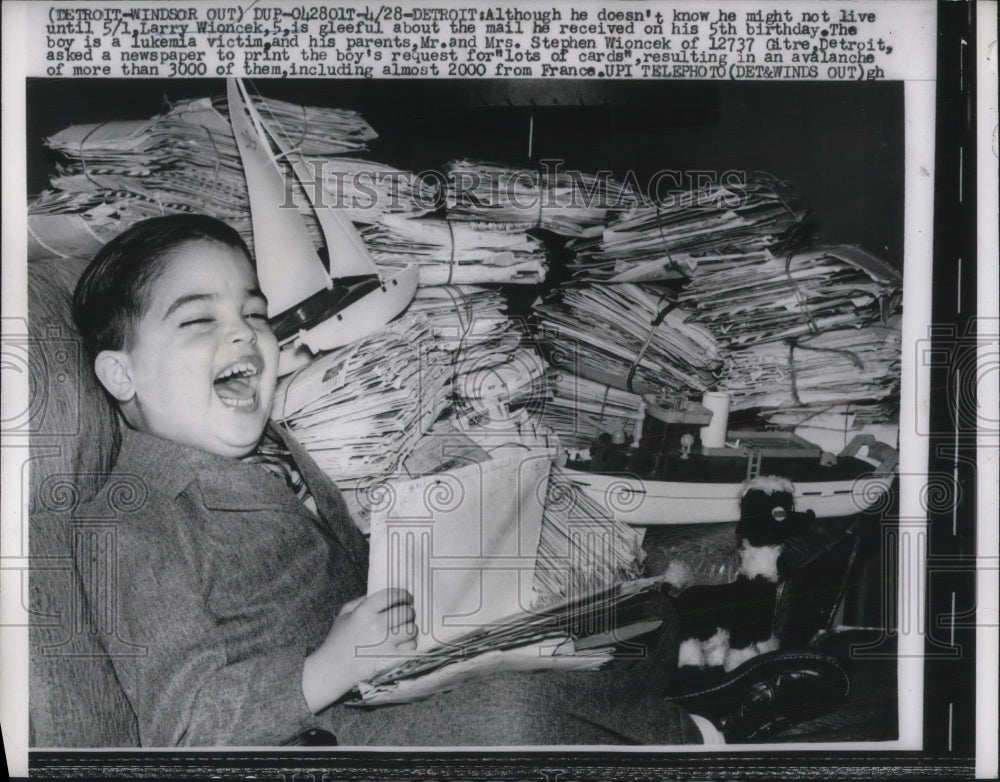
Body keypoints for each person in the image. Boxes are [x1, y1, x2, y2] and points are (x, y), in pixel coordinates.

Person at [69, 214, 715, 747]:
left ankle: (673, 707)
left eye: (254, 314)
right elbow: (184, 729)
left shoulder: (276, 443)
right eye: (198, 320)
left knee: (636, 613)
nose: (242, 333)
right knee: (511, 717)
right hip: (324, 729)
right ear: (121, 375)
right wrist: (330, 667)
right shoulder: (130, 520)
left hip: (397, 669)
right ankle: (689, 733)